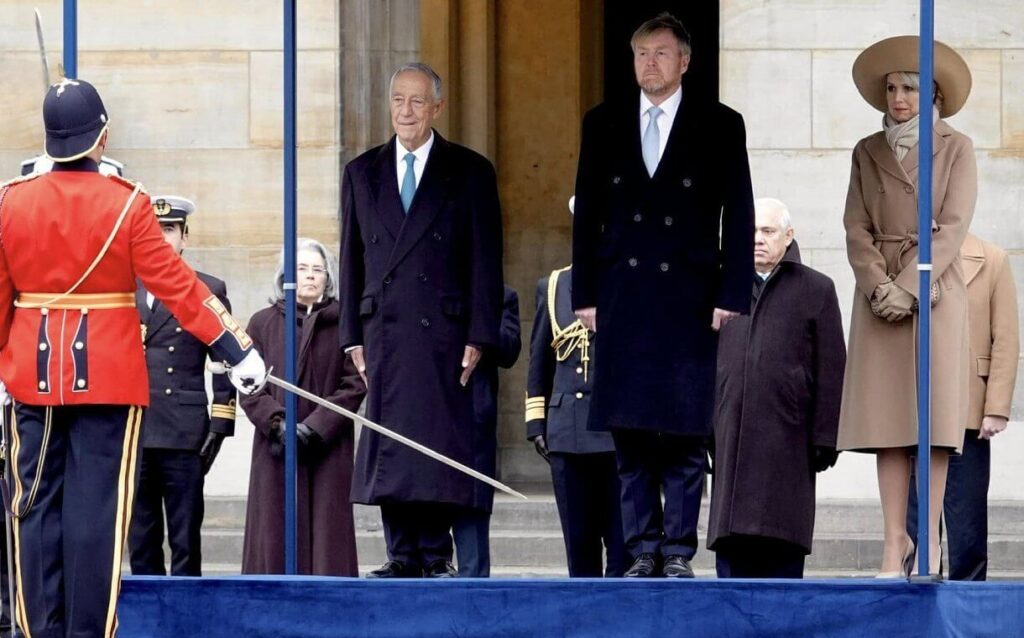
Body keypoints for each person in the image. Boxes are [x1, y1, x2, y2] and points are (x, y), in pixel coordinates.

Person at [0, 77, 264, 638]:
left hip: (32, 378)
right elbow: (177, 285)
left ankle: (36, 630)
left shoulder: (10, 201)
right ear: (102, 136)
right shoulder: (128, 204)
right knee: (97, 518)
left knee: (33, 512)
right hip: (109, 379)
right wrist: (235, 346)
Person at [571, 13, 754, 578]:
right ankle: (641, 547)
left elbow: (740, 212)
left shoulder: (722, 123)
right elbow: (587, 215)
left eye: (660, 53)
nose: (649, 64)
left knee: (682, 433)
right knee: (630, 435)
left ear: (685, 61)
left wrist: (732, 290)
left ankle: (677, 549)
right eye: (641, 54)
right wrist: (585, 293)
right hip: (622, 294)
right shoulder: (602, 122)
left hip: (690, 295)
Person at [340, 61, 504, 579]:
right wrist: (351, 338)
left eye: (416, 102)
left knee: (435, 439)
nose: (405, 112)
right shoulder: (361, 172)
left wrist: (480, 332)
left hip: (446, 331)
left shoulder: (470, 171)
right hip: (383, 328)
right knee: (394, 437)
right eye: (398, 101)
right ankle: (400, 552)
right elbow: (350, 262)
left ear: (437, 107)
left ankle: (434, 553)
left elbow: (486, 260)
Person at [839, 36, 976, 578]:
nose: (898, 98)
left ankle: (931, 545)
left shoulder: (956, 147)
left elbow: (955, 224)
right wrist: (879, 286)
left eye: (910, 88)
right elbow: (855, 227)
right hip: (879, 302)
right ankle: (893, 544)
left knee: (933, 424)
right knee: (888, 425)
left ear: (933, 93)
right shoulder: (864, 150)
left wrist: (910, 286)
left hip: (934, 293)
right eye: (892, 88)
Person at [707, 198, 845, 579]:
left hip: (789, 441)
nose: (757, 240)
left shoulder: (816, 288)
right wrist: (704, 429)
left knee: (781, 556)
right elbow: (702, 364)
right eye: (750, 230)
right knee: (733, 566)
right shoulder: (721, 286)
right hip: (730, 438)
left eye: (767, 231)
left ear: (789, 236)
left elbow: (832, 368)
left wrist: (826, 439)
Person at [240, 239, 365, 575]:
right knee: (275, 529)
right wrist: (277, 423)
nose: (310, 276)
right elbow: (249, 385)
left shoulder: (345, 325)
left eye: (318, 270)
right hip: (275, 446)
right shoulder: (262, 323)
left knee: (328, 534)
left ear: (328, 278)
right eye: (302, 269)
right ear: (286, 276)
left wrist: (316, 428)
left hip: (327, 447)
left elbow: (354, 384)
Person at [128, 196, 238, 577]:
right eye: (154, 230)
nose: (161, 238)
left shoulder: (206, 288)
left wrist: (221, 424)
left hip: (184, 430)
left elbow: (225, 356)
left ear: (185, 238)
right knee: (140, 538)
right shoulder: (122, 288)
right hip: (134, 428)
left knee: (185, 539)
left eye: (170, 230)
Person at [907, 233, 1018, 580]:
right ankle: (915, 605)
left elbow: (1006, 338)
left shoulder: (992, 259)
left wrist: (996, 405)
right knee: (914, 522)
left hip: (967, 409)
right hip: (915, 409)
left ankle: (967, 603)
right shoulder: (907, 255)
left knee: (967, 523)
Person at [527, 197, 627, 578]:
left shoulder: (630, 279)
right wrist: (537, 423)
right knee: (579, 545)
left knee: (622, 545)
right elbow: (541, 357)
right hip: (567, 429)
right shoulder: (554, 285)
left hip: (619, 429)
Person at [451, 285, 521, 577]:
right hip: (429, 415)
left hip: (473, 422)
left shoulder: (501, 295)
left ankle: (473, 594)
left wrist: (480, 318)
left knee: (473, 521)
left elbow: (508, 350)